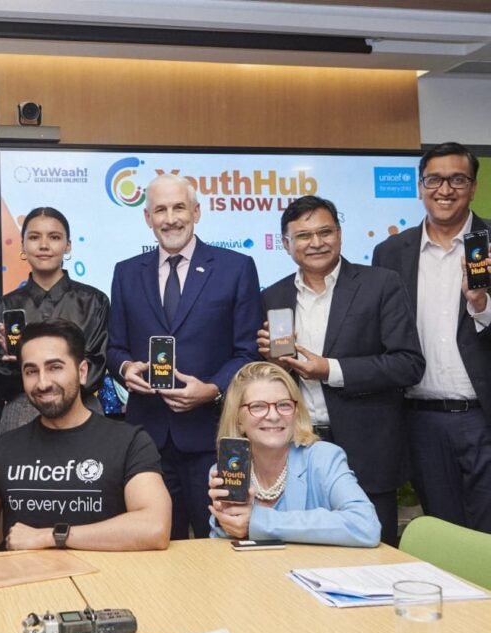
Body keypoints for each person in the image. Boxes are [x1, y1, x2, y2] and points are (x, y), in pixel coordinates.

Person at [258, 195, 424, 546]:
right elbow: (273, 378)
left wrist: (329, 369)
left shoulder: (381, 284)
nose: (316, 242)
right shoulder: (274, 296)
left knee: (373, 551)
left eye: (325, 232)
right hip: (298, 447)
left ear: (340, 234)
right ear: (286, 244)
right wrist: (274, 362)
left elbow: (408, 364)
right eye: (303, 236)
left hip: (366, 449)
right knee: (299, 549)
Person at [107, 173, 261, 539]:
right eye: (160, 210)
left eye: (179, 208)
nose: (171, 218)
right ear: (148, 217)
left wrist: (213, 389)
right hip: (147, 441)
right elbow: (114, 348)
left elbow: (248, 352)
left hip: (213, 436)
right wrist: (125, 368)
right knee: (157, 545)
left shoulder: (236, 268)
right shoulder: (126, 273)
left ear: (196, 212)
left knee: (221, 543)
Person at [0, 319, 171, 553]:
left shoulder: (129, 442)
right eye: (31, 371)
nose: (42, 383)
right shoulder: (1, 448)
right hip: (22, 576)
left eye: (55, 367)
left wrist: (51, 536)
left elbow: (155, 528)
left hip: (102, 575)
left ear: (82, 372)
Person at [373, 142, 491, 533]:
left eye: (457, 179)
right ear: (420, 186)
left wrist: (481, 304)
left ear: (473, 187)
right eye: (434, 180)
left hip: (482, 416)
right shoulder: (391, 252)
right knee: (445, 532)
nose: (445, 190)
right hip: (419, 419)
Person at [208, 361, 381, 547]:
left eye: (284, 405)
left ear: (296, 413)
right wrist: (227, 521)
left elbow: (366, 526)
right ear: (238, 420)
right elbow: (221, 548)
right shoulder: (229, 469)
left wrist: (259, 521)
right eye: (257, 406)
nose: (273, 416)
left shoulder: (323, 458)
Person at [0, 206, 110, 432]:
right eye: (34, 237)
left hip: (82, 413)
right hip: (21, 417)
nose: (44, 245)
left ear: (68, 245)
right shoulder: (5, 307)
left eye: (54, 237)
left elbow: (95, 373)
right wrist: (15, 363)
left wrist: (29, 371)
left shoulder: (94, 301)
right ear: (23, 245)